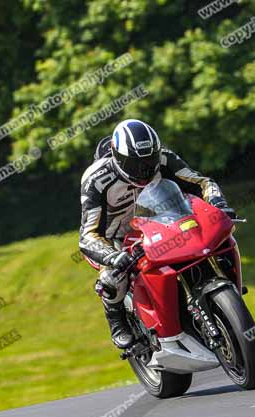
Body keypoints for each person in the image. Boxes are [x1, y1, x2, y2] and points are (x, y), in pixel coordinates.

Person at [79, 119, 232, 349]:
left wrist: (218, 202)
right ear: (116, 156)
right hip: (113, 237)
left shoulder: (164, 158)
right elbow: (87, 235)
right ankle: (116, 318)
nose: (143, 169)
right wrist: (112, 256)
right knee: (112, 277)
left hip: (160, 222)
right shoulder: (96, 179)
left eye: (148, 161)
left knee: (214, 238)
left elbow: (202, 183)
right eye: (134, 163)